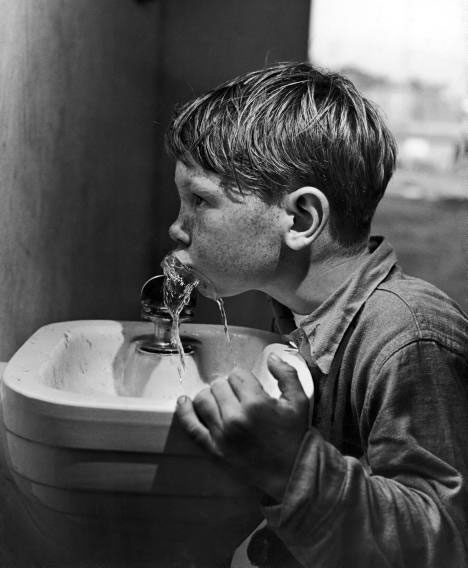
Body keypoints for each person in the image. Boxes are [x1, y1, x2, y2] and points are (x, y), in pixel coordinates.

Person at [164, 62, 468, 567]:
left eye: (199, 200)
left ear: (301, 219)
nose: (178, 228)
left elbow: (445, 544)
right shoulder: (298, 320)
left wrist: (289, 465)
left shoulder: (409, 337)